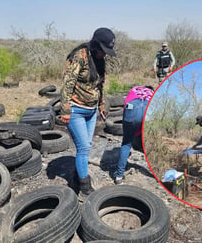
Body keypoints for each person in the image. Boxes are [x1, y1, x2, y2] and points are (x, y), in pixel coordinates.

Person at [60, 27, 116, 199]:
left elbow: (100, 85)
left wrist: (101, 105)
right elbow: (68, 83)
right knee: (83, 147)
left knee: (86, 147)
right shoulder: (80, 56)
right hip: (76, 109)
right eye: (103, 50)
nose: (104, 54)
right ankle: (84, 186)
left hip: (91, 111)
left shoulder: (100, 60)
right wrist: (65, 110)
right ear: (95, 45)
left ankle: (78, 176)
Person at [113, 85, 154, 185]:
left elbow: (125, 108)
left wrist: (129, 131)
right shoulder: (152, 93)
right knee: (150, 145)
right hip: (148, 108)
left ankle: (119, 176)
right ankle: (156, 174)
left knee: (126, 143)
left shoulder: (134, 89)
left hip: (132, 108)